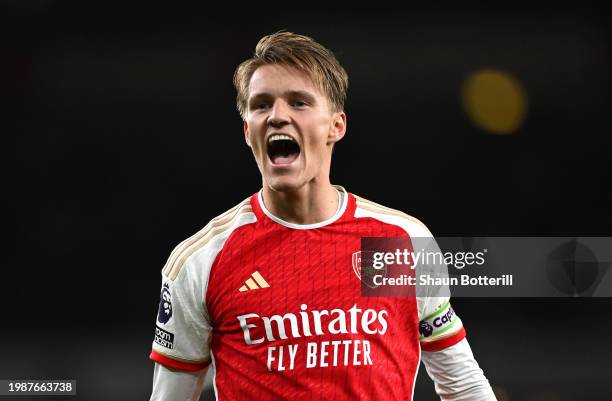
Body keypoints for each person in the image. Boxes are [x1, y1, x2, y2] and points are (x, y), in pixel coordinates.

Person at [149, 31, 496, 401]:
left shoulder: (401, 242)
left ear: (336, 126)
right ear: (248, 131)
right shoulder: (202, 260)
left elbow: (463, 386)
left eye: (298, 102)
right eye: (262, 105)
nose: (278, 116)